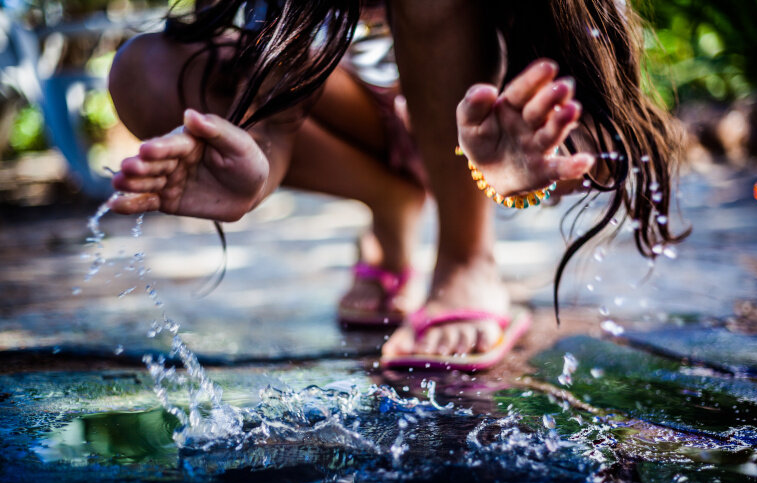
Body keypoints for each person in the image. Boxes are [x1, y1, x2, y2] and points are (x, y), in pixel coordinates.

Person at [108, 0, 687, 367]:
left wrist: (516, 180)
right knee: (147, 71)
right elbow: (275, 127)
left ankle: (465, 260)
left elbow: (605, 151)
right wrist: (253, 170)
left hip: (474, 126)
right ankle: (391, 201)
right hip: (369, 122)